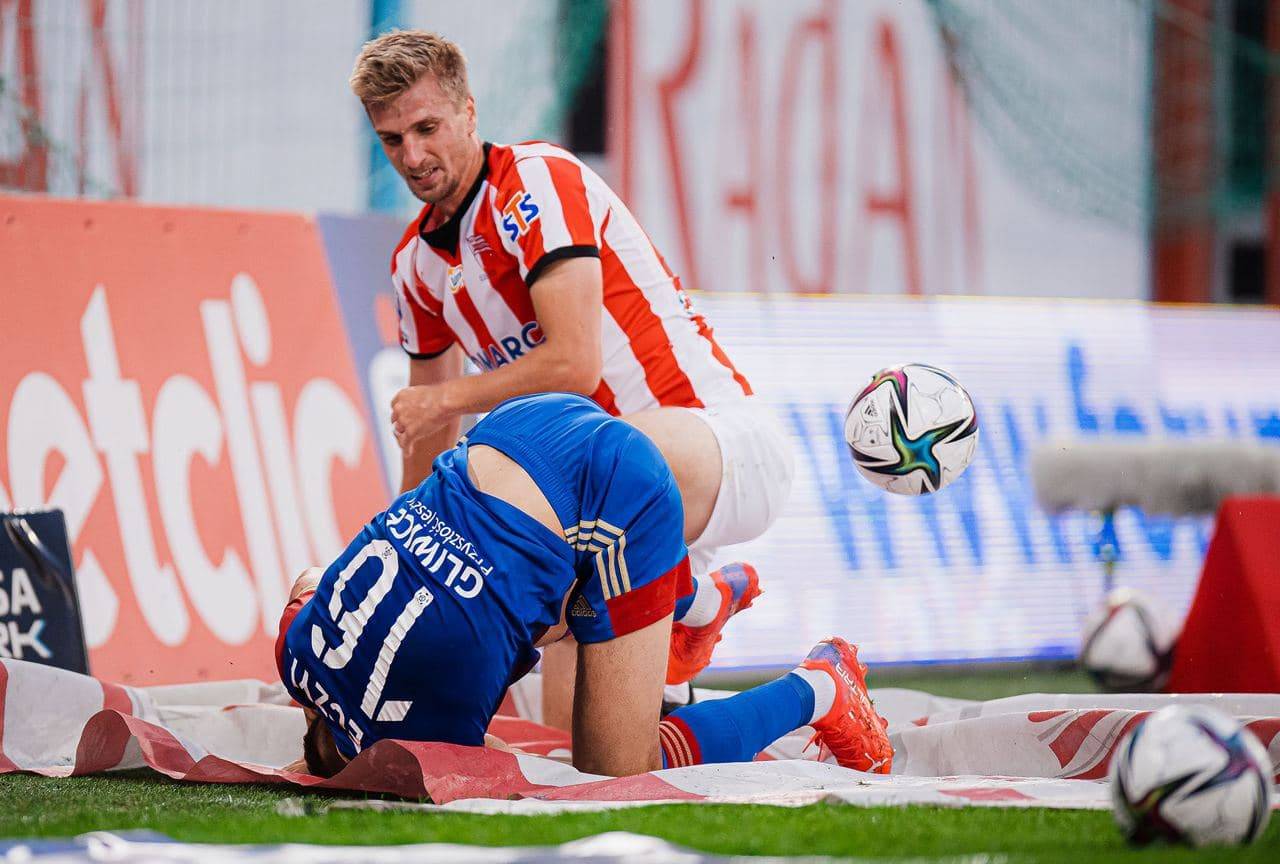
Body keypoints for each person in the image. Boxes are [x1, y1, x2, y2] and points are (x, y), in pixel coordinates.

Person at [347, 31, 796, 715]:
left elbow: (574, 363)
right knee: (587, 746)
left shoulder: (534, 180)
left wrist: (446, 400)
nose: (412, 156)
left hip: (718, 448)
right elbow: (427, 448)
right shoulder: (415, 267)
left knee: (552, 504)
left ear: (469, 112)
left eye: (426, 128)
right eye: (391, 139)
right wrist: (393, 562)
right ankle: (805, 684)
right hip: (606, 515)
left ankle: (697, 605)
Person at [275, 393, 891, 778]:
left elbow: (501, 765)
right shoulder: (297, 650)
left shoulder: (431, 748)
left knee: (617, 769)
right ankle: (695, 601)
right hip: (514, 431)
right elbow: (310, 579)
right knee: (534, 595)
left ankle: (820, 686)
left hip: (614, 490)